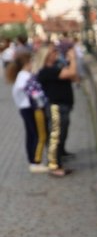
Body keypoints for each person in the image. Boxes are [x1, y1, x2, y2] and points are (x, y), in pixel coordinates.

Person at [6, 50, 51, 172]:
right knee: (38, 135)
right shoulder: (26, 77)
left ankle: (33, 160)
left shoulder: (21, 77)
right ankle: (36, 161)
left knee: (31, 135)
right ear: (27, 63)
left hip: (25, 108)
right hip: (32, 108)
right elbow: (37, 94)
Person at [36, 42, 75, 176]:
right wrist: (73, 59)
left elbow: (74, 76)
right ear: (47, 55)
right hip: (55, 107)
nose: (56, 53)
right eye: (53, 52)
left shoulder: (56, 66)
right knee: (55, 136)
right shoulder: (46, 71)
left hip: (62, 105)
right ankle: (53, 166)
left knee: (60, 135)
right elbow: (72, 72)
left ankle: (58, 159)